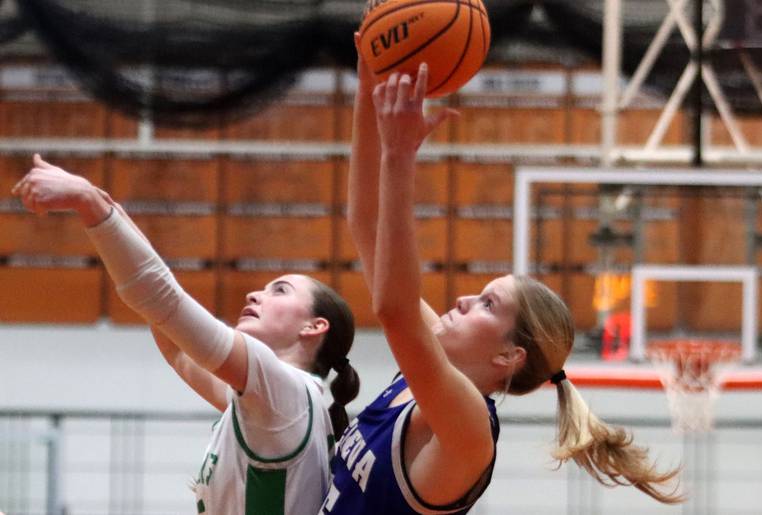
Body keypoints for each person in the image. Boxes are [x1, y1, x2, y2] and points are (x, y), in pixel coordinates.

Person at [318, 46, 682, 514]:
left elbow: (395, 310)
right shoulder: (429, 372)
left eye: (488, 304)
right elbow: (365, 226)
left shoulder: (469, 430)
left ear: (509, 355)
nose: (466, 298)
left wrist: (399, 153)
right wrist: (370, 77)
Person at [11, 155, 360, 515]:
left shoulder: (284, 391)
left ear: (314, 327)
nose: (255, 294)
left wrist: (87, 199)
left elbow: (160, 298)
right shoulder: (277, 400)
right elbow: (174, 342)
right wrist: (100, 198)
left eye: (280, 291)